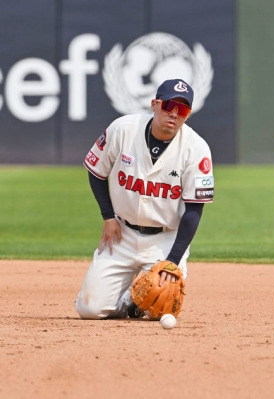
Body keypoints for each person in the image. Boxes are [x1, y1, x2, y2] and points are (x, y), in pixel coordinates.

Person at [75, 78, 214, 319]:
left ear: (188, 114)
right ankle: (126, 299)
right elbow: (96, 170)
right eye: (169, 105)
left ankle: (135, 300)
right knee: (89, 309)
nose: (174, 114)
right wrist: (108, 216)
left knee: (162, 308)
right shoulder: (123, 129)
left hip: (165, 239)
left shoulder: (196, 148)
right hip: (122, 234)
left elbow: (194, 209)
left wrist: (172, 260)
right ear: (154, 104)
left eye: (182, 109)